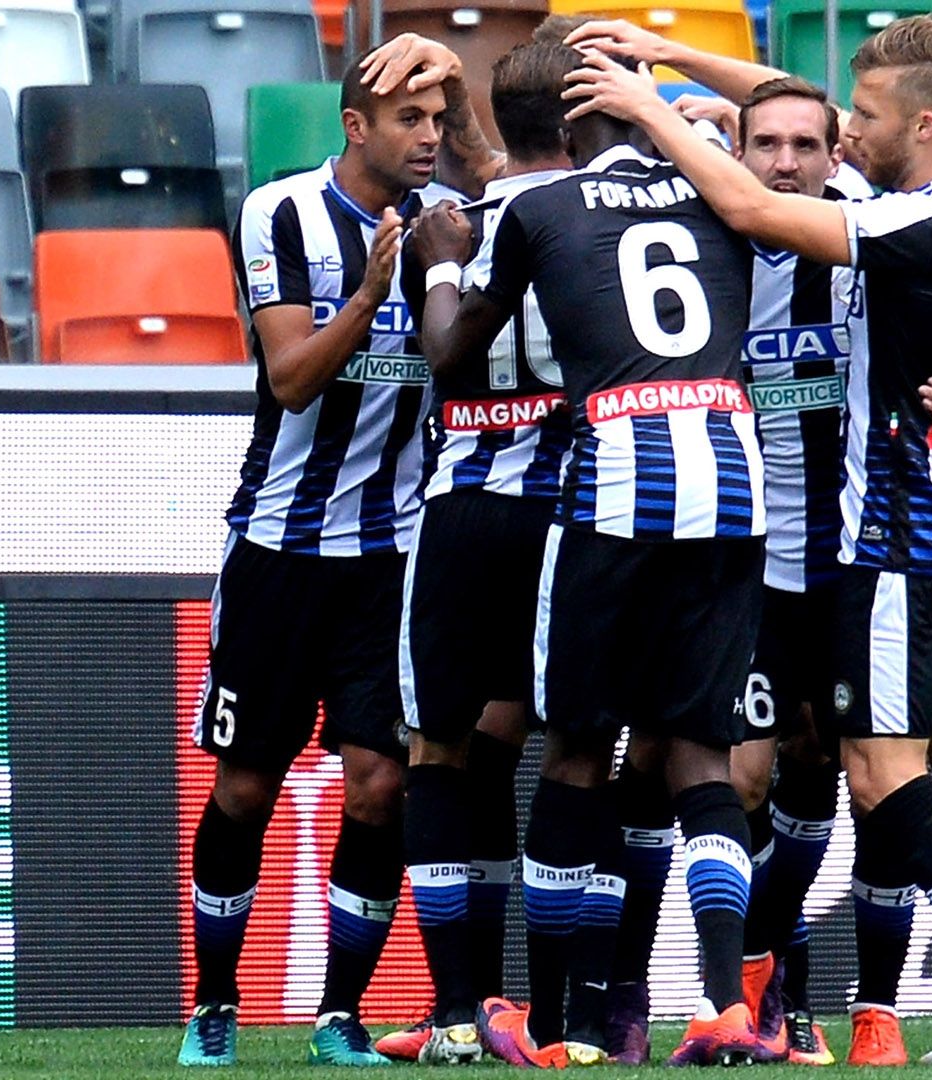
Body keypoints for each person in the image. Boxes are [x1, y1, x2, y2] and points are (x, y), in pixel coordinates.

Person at [565, 15, 932, 1067]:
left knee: (882, 774)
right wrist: (679, 64)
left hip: (897, 526)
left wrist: (647, 108)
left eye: (861, 124)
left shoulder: (894, 224)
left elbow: (755, 200)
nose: (839, 140)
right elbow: (794, 122)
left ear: (922, 125)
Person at [416, 60, 770, 1067]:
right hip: (733, 475)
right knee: (701, 757)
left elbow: (450, 355)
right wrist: (684, 103)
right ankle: (721, 1006)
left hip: (617, 479)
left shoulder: (544, 208)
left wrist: (444, 263)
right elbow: (806, 119)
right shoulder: (721, 185)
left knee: (576, 750)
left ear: (570, 128)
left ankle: (558, 1018)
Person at [179, 34, 498, 1069]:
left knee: (379, 786)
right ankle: (215, 1002)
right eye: (410, 118)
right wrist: (368, 296)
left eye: (438, 119)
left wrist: (456, 73)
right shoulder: (280, 214)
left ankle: (339, 1013)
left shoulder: (454, 227)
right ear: (354, 126)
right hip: (279, 547)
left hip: (393, 559)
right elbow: (291, 381)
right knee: (243, 790)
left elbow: (507, 172)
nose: (430, 136)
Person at [384, 41, 581, 1066]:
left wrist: (443, 263)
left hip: (462, 507)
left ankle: (461, 1009)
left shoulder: (465, 224)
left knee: (443, 751)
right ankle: (565, 1011)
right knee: (571, 750)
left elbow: (440, 347)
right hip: (573, 510)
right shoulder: (600, 214)